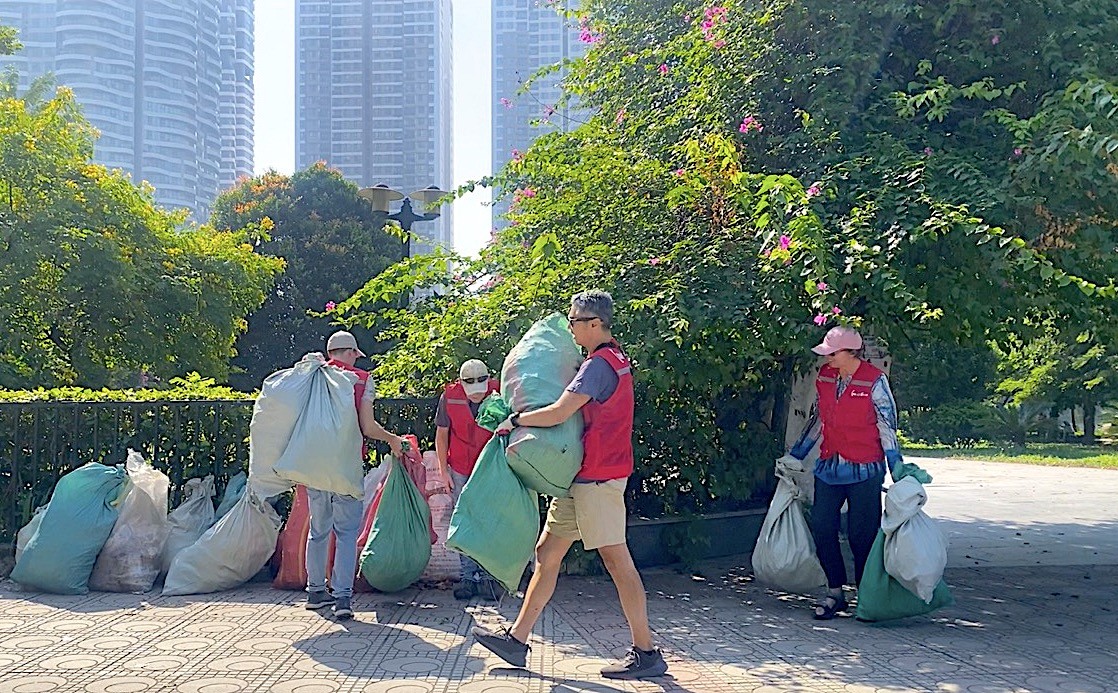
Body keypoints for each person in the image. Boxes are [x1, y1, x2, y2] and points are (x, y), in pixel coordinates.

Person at [471, 290, 668, 681]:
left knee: (617, 561)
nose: (570, 326)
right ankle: (517, 640)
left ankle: (646, 652)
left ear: (595, 324)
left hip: (599, 478)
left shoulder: (599, 365)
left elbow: (561, 411)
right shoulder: (609, 359)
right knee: (548, 551)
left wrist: (518, 421)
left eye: (576, 321)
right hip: (585, 478)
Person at [786, 325, 904, 620]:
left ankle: (867, 596)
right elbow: (818, 421)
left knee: (862, 536)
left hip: (865, 469)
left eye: (833, 353)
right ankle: (835, 592)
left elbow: (886, 426)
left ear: (851, 353)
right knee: (823, 526)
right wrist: (796, 455)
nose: (828, 358)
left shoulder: (875, 381)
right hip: (829, 466)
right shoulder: (825, 377)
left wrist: (897, 466)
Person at [305, 330, 407, 620]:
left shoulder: (314, 375)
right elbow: (367, 427)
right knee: (347, 532)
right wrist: (392, 439)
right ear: (350, 352)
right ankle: (343, 599)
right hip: (346, 464)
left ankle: (315, 592)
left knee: (318, 529)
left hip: (313, 464)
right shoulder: (361, 379)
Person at [434, 358, 502, 600]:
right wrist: (443, 471)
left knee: (488, 520)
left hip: (490, 467)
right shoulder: (449, 397)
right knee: (463, 520)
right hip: (460, 467)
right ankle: (467, 577)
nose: (476, 394)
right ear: (461, 383)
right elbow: (441, 435)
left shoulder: (499, 392)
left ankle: (487, 577)